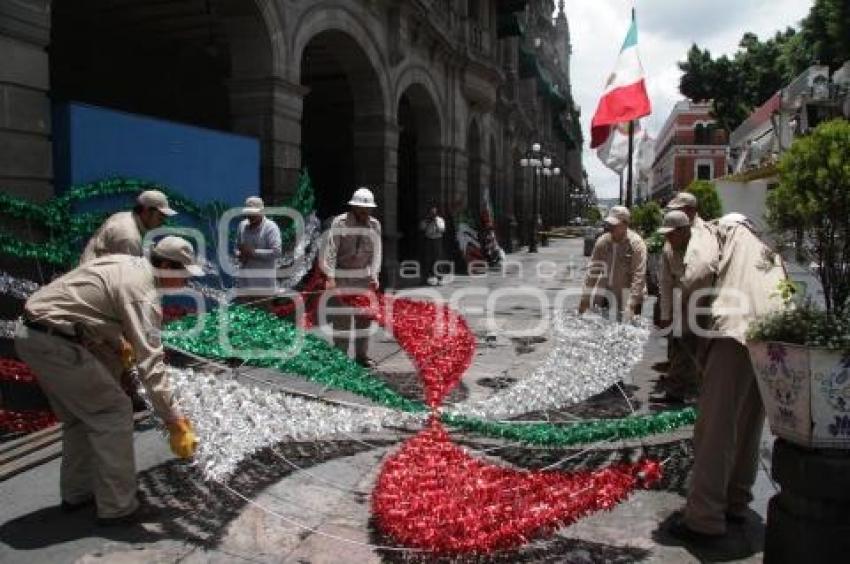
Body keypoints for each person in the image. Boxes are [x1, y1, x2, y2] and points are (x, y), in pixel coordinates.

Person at [14, 236, 201, 526]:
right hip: (57, 342)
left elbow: (94, 303)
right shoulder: (143, 293)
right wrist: (173, 419)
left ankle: (78, 493)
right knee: (113, 412)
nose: (186, 282)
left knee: (82, 416)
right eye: (183, 274)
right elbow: (151, 363)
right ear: (165, 265)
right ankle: (118, 507)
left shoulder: (129, 264)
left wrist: (117, 342)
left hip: (33, 334)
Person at [668, 213, 786, 543]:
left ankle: (704, 517)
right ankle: (736, 501)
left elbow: (699, 273)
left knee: (716, 425)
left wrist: (688, 327)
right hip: (773, 334)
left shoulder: (715, 229)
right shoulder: (762, 243)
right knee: (749, 422)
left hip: (733, 330)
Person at [657, 193, 718, 402]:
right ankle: (676, 389)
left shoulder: (705, 238)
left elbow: (705, 271)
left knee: (699, 345)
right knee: (678, 343)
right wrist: (666, 312)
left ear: (684, 231)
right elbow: (665, 282)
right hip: (679, 299)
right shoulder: (668, 248)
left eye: (671, 234)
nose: (668, 238)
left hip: (703, 300)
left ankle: (698, 390)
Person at [322, 188, 382, 368]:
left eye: (368, 209)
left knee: (363, 320)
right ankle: (340, 358)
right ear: (353, 207)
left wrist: (375, 275)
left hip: (363, 278)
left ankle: (361, 356)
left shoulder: (375, 225)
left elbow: (377, 253)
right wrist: (330, 277)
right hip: (342, 276)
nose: (365, 213)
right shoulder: (340, 223)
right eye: (362, 209)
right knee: (342, 320)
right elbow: (331, 251)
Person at [579, 205, 647, 319]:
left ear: (625, 224)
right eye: (609, 224)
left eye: (615, 224)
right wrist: (585, 298)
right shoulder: (602, 242)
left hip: (628, 295)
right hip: (606, 294)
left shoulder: (636, 244)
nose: (610, 227)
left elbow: (639, 275)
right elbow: (593, 271)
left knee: (627, 333)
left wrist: (631, 304)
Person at [80, 190, 178, 264]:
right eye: (160, 216)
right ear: (146, 211)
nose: (163, 220)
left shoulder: (123, 216)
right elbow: (129, 279)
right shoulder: (129, 237)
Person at [235, 196, 283, 304]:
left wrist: (253, 252)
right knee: (242, 317)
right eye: (248, 213)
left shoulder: (271, 227)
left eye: (253, 213)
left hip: (263, 285)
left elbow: (277, 252)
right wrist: (239, 254)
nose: (250, 216)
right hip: (244, 284)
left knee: (264, 317)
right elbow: (237, 247)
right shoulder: (242, 226)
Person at [419, 206, 445, 285]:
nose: (432, 214)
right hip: (428, 239)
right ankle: (426, 278)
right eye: (431, 212)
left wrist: (435, 221)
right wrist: (427, 222)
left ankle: (439, 278)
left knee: (438, 258)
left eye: (434, 213)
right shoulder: (426, 220)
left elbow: (442, 229)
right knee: (427, 259)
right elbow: (421, 227)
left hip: (437, 240)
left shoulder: (440, 220)